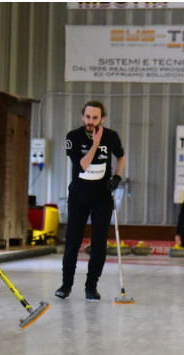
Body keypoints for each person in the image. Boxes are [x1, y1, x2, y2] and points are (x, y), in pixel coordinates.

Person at [55, 100, 126, 301]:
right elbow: (83, 165)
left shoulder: (111, 136)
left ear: (102, 118)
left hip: (102, 197)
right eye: (87, 117)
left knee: (98, 244)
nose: (90, 121)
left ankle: (91, 286)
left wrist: (117, 177)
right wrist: (95, 143)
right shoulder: (74, 137)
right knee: (72, 242)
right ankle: (66, 285)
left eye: (95, 117)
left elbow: (121, 156)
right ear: (83, 116)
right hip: (78, 197)